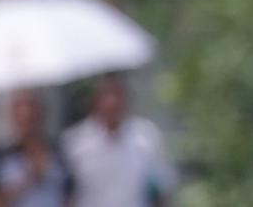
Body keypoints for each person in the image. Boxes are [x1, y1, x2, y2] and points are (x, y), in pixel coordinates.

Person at [61, 76, 177, 207]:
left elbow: (162, 187)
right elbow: (67, 193)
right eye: (105, 95)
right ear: (95, 101)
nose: (111, 102)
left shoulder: (146, 136)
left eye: (116, 94)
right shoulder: (75, 141)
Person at [0, 90, 74, 207]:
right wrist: (29, 179)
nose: (27, 118)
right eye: (21, 116)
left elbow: (69, 196)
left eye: (32, 116)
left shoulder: (59, 155)